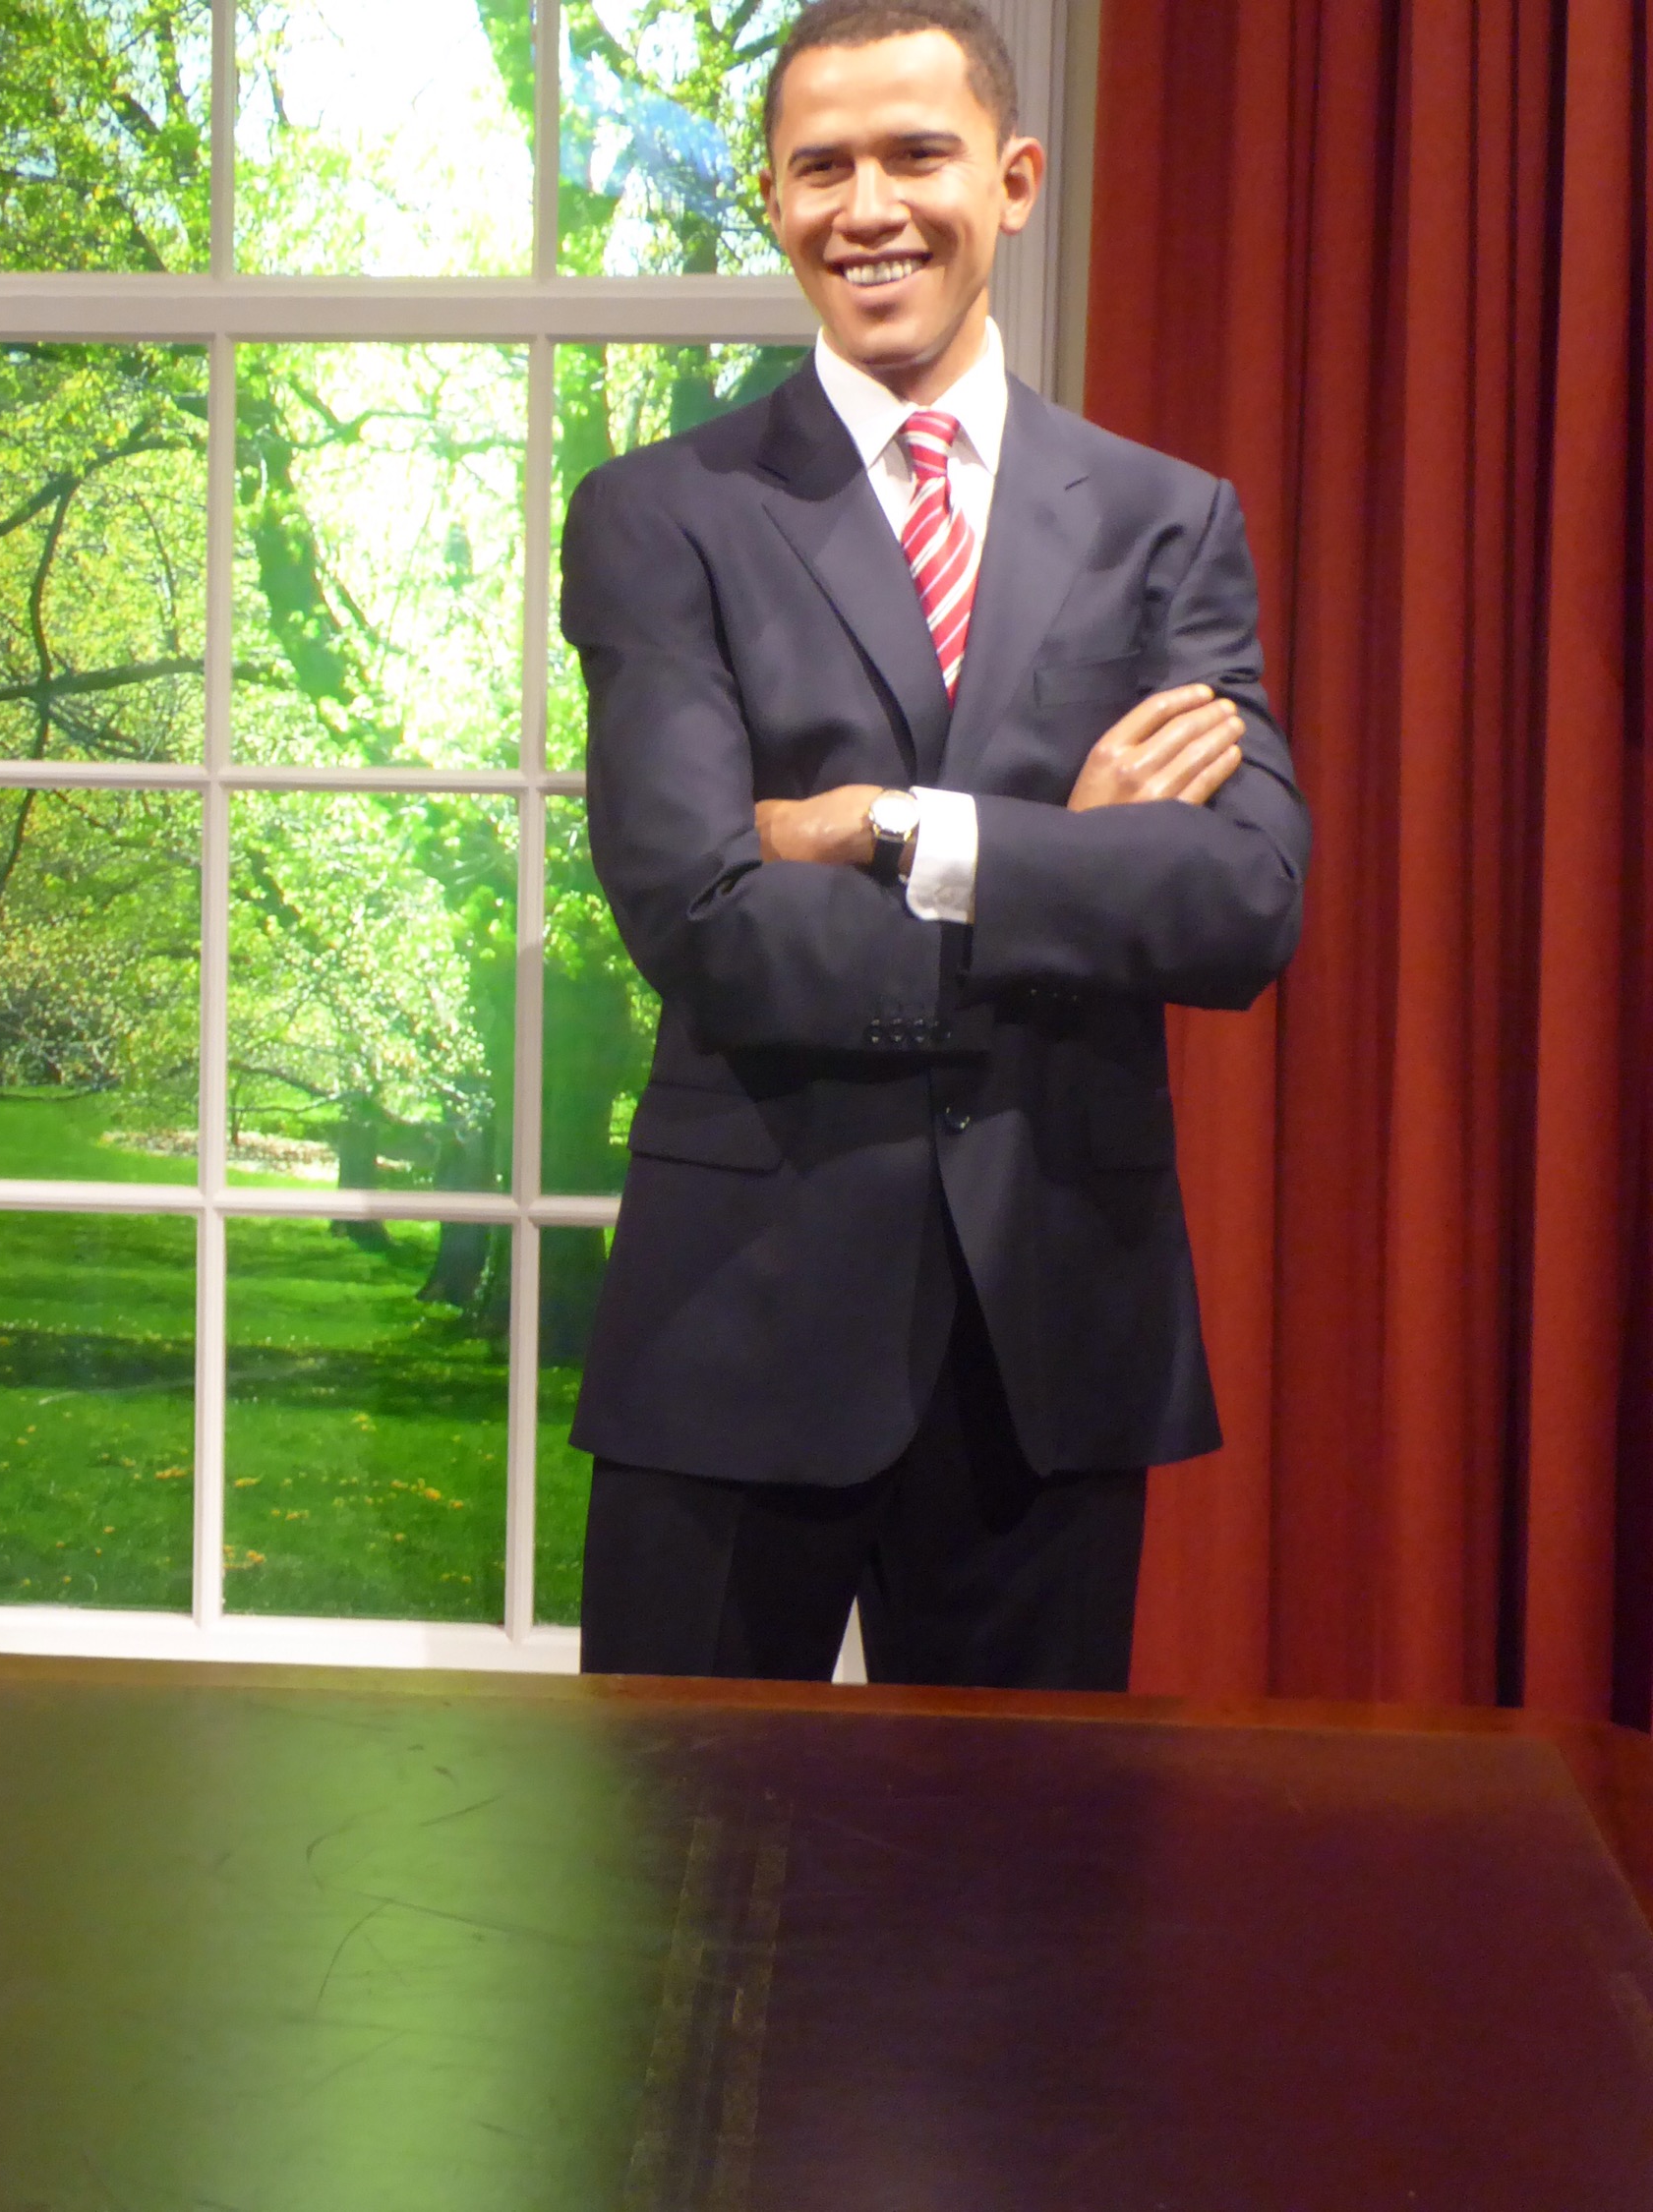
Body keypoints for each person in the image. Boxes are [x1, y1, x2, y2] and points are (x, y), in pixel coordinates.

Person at [560, 0, 1307, 1690]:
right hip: (734, 1326)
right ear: (772, 198)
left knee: (1023, 1869)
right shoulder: (659, 515)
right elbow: (708, 919)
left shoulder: (1166, 522)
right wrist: (1074, 870)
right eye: (822, 167)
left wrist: (903, 829)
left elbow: (1244, 901)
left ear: (1015, 181)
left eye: (915, 155)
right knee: (679, 1854)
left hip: (1052, 1332)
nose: (868, 208)